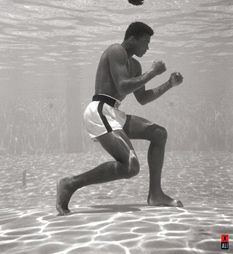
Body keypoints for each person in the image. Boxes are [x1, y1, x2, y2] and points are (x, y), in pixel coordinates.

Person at [56, 21, 184, 215]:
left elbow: (142, 98)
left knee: (159, 134)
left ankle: (156, 194)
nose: (147, 47)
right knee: (131, 167)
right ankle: (70, 183)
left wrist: (168, 84)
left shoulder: (135, 65)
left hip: (114, 112)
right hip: (99, 110)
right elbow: (123, 86)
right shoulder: (116, 50)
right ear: (132, 38)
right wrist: (153, 72)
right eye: (145, 42)